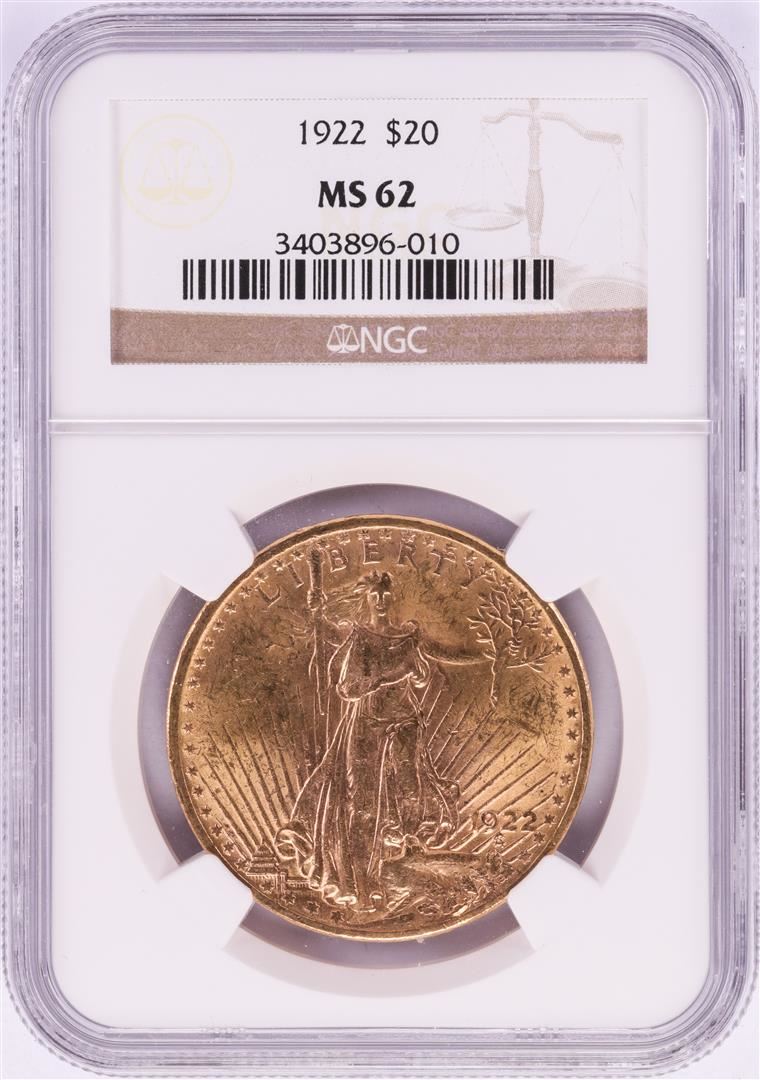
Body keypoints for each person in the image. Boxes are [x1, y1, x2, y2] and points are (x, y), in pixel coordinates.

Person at [275, 570, 461, 914]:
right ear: (367, 600)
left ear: (392, 597)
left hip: (404, 722)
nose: (380, 601)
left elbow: (422, 675)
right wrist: (392, 674)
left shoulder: (407, 636)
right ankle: (361, 881)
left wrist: (416, 671)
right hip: (367, 726)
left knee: (410, 791)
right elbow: (349, 688)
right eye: (374, 595)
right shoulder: (360, 638)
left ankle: (396, 842)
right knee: (361, 804)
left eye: (385, 595)